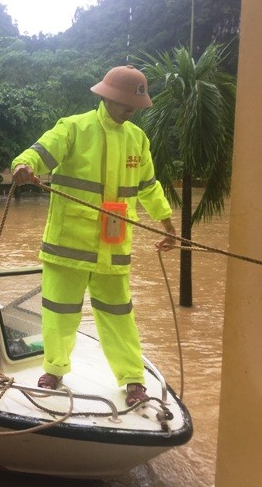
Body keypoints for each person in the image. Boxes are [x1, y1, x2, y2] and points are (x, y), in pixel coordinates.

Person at [11, 65, 177, 406]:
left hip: (113, 249)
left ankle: (133, 380)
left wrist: (167, 223)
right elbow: (38, 154)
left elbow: (148, 187)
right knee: (59, 312)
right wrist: (24, 166)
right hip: (68, 244)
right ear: (106, 96)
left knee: (120, 316)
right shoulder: (73, 128)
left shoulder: (137, 140)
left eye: (135, 103)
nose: (129, 109)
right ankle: (54, 371)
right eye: (123, 101)